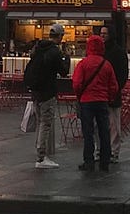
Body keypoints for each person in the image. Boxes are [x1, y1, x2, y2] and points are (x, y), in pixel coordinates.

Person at [25, 23, 70, 169]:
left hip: (36, 91)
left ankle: (40, 153)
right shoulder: (54, 52)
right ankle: (41, 157)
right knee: (46, 123)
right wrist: (66, 57)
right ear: (60, 36)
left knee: (40, 122)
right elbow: (63, 72)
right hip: (47, 91)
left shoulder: (38, 48)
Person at [71, 35, 118, 172]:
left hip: (87, 102)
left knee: (88, 132)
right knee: (104, 132)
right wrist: (109, 98)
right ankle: (105, 161)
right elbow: (113, 86)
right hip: (102, 101)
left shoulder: (83, 63)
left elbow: (77, 83)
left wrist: (79, 95)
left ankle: (89, 161)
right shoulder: (106, 64)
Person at [101, 24, 129, 161]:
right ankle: (106, 150)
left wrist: (116, 88)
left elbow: (123, 74)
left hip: (112, 93)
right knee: (105, 124)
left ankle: (113, 151)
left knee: (113, 124)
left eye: (105, 33)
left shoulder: (117, 52)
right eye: (101, 33)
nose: (102, 36)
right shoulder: (101, 51)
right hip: (103, 93)